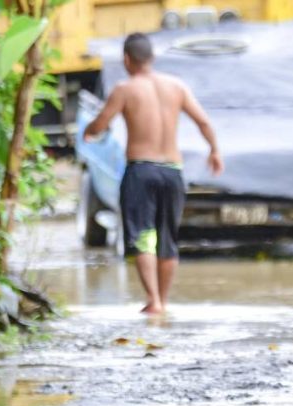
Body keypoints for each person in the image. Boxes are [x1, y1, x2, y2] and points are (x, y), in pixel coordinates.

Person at [84, 32, 223, 315]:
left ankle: (154, 301)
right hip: (172, 171)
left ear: (126, 59)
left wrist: (89, 131)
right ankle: (165, 300)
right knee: (167, 237)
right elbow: (203, 121)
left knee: (144, 236)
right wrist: (214, 151)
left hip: (141, 170)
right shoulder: (177, 86)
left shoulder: (125, 89)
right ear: (152, 58)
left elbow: (101, 124)